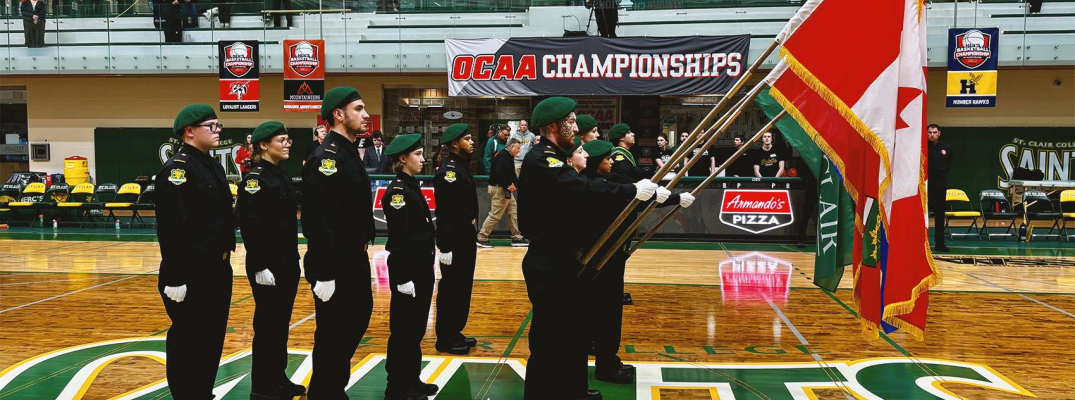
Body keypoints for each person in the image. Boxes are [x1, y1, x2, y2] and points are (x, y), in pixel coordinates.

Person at [517, 96, 657, 400]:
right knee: (548, 339)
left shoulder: (557, 155)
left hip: (566, 259)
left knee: (573, 334)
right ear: (553, 126)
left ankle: (572, 390)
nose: (575, 125)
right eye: (570, 120)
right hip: (548, 261)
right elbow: (582, 188)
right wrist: (631, 190)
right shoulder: (542, 158)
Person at [578, 140, 693, 385]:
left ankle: (609, 360)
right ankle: (606, 365)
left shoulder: (608, 181)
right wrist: (657, 196)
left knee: (608, 311)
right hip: (601, 259)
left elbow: (636, 191)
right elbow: (628, 198)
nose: (611, 163)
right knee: (606, 312)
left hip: (613, 254)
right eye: (607, 160)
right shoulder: (596, 188)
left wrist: (674, 197)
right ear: (598, 164)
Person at [154, 104, 236, 400]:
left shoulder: (211, 165)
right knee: (188, 338)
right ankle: (186, 394)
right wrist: (176, 276)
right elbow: (172, 227)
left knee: (211, 337)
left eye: (218, 126)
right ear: (190, 132)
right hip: (190, 270)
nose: (217, 131)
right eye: (211, 126)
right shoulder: (177, 170)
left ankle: (202, 391)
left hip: (217, 268)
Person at [301, 86, 377, 400]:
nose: (366, 114)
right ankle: (324, 392)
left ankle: (330, 387)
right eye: (358, 108)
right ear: (338, 114)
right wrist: (325, 271)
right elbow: (318, 221)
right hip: (335, 260)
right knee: (333, 332)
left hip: (353, 257)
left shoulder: (348, 152)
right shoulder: (327, 157)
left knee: (357, 319)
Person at [236, 122, 307, 400]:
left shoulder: (280, 175)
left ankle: (278, 378)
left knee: (279, 326)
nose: (287, 144)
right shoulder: (256, 179)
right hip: (268, 266)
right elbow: (251, 225)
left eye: (289, 139)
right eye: (281, 140)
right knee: (267, 328)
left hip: (286, 261)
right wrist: (260, 264)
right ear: (264, 145)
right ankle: (263, 387)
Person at [381, 133, 441, 400]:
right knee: (404, 331)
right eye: (417, 154)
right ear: (402, 159)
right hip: (409, 272)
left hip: (421, 269)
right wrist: (404, 277)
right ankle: (397, 386)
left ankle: (412, 380)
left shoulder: (411, 185)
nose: (422, 158)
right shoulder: (398, 192)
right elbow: (400, 238)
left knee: (415, 329)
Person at [433, 123, 480, 355]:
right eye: (467, 139)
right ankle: (445, 337)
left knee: (463, 286)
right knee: (452, 287)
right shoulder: (448, 171)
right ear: (454, 144)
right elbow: (445, 212)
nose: (471, 142)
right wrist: (445, 246)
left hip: (465, 235)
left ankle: (455, 331)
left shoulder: (460, 166)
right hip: (455, 238)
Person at [477, 138, 526, 248]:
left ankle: (517, 238)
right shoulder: (504, 156)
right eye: (518, 148)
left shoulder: (506, 155)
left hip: (505, 189)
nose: (519, 150)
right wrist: (508, 184)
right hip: (500, 189)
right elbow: (499, 171)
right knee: (495, 214)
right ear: (512, 146)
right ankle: (482, 237)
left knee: (513, 212)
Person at [927, 124, 953, 253]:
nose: (932, 135)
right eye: (930, 132)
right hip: (925, 186)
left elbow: (949, 165)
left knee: (939, 215)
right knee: (923, 215)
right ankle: (922, 244)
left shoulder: (946, 148)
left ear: (939, 133)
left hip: (940, 186)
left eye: (934, 132)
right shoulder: (922, 147)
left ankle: (940, 243)